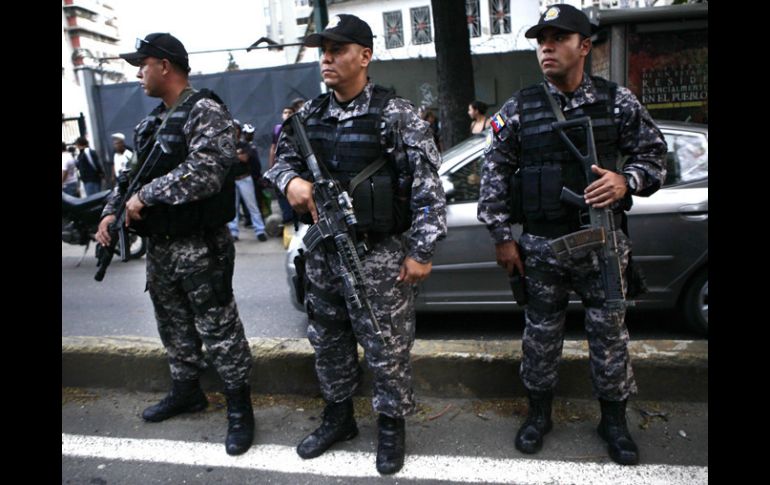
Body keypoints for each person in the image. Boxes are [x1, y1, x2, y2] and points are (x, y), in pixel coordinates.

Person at [476, 4, 667, 466]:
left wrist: (626, 181)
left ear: (584, 47)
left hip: (602, 244)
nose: (547, 47)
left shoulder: (617, 102)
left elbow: (655, 157)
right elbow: (493, 174)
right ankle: (538, 415)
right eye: (541, 40)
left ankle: (613, 421)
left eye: (558, 38)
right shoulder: (518, 108)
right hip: (542, 247)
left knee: (610, 337)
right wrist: (502, 236)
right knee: (540, 336)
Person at [264, 14, 446, 475]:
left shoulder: (396, 115)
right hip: (324, 254)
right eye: (323, 50)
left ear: (364, 56)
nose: (326, 58)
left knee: (387, 345)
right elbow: (279, 165)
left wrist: (421, 251)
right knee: (328, 340)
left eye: (338, 49)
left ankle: (391, 427)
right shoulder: (308, 116)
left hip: (379, 254)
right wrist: (291, 183)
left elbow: (428, 190)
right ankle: (338, 417)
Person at [95, 32, 255, 456]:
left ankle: (240, 407)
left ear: (164, 66)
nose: (138, 74)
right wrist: (111, 212)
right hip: (162, 246)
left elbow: (208, 170)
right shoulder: (151, 123)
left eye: (142, 65)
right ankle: (187, 391)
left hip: (201, 245)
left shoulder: (205, 111)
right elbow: (132, 177)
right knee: (173, 323)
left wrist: (145, 197)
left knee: (219, 327)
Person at [228, 142, 268, 242]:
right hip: (232, 179)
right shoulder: (227, 145)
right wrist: (237, 155)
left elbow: (244, 158)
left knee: (252, 206)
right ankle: (233, 232)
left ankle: (260, 231)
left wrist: (234, 155)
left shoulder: (243, 144)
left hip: (244, 178)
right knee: (233, 207)